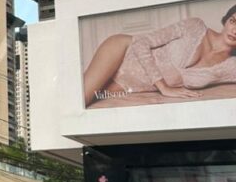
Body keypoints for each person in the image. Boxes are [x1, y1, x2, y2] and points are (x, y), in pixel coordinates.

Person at [82, 6, 236, 107]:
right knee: (79, 100)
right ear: (226, 20)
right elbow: (141, 43)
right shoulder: (195, 26)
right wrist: (164, 87)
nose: (234, 30)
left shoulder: (231, 66)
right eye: (233, 21)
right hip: (122, 52)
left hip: (128, 87)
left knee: (84, 102)